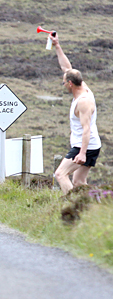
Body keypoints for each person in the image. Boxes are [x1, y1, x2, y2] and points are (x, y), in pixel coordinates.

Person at [51, 34, 101, 194]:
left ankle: (72, 207)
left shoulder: (84, 101)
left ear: (70, 84)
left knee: (60, 174)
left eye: (64, 82)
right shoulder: (82, 86)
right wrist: (57, 46)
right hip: (87, 145)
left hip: (86, 146)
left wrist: (82, 153)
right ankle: (95, 205)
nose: (63, 84)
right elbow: (67, 68)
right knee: (79, 182)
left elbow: (87, 129)